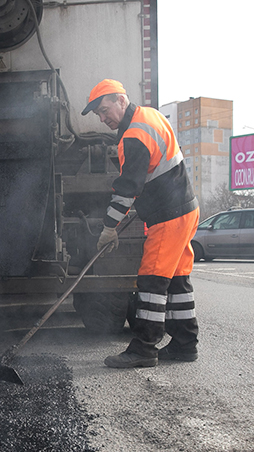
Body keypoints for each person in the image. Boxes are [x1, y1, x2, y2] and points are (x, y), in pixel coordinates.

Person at [81, 79, 199, 368]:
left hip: (169, 215)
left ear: (121, 100)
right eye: (98, 113)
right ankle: (185, 344)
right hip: (185, 209)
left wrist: (109, 228)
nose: (103, 117)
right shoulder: (151, 115)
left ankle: (144, 348)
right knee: (177, 280)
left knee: (151, 280)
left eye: (105, 109)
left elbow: (127, 187)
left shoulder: (134, 135)